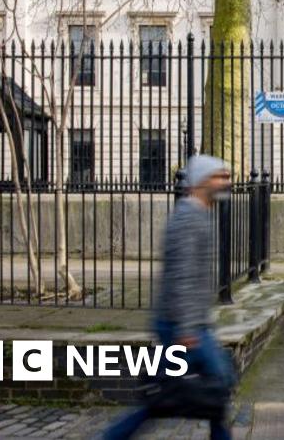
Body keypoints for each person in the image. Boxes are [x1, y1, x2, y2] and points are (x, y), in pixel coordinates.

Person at [104, 154, 236, 440]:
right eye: (219, 176)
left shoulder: (199, 214)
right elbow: (182, 275)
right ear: (202, 181)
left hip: (189, 324)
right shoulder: (189, 218)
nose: (225, 182)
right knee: (177, 396)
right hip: (181, 327)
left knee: (204, 393)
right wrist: (188, 330)